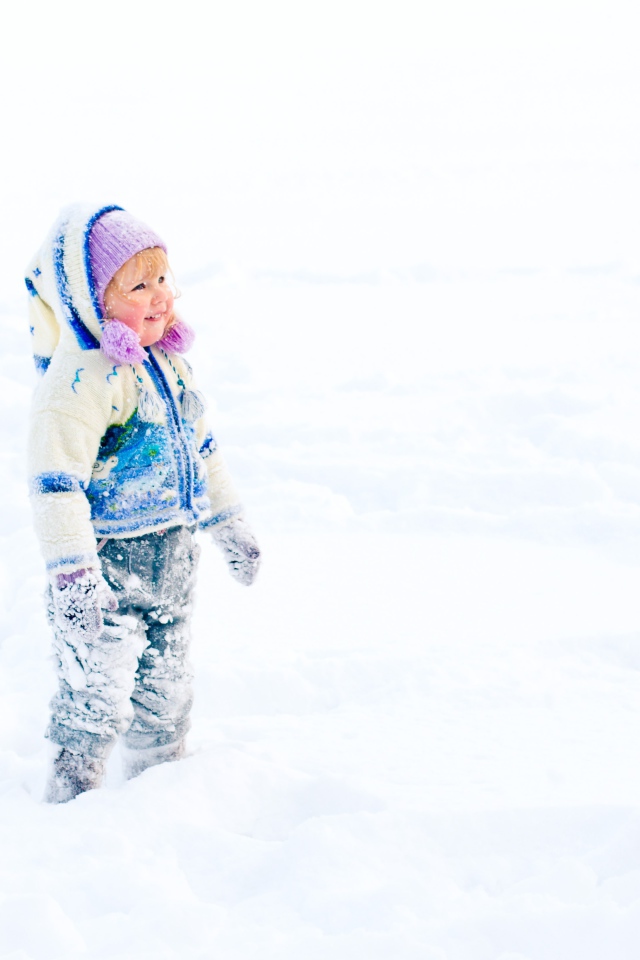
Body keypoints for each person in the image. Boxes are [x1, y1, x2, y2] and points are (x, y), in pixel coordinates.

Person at [26, 203, 260, 803]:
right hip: (106, 568)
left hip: (173, 559)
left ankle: (159, 791)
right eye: (137, 285)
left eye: (162, 278)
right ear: (92, 302)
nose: (159, 295)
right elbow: (56, 484)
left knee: (168, 689)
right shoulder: (79, 380)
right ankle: (71, 796)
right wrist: (72, 574)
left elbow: (202, 449)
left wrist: (229, 521)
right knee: (94, 694)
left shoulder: (170, 364)